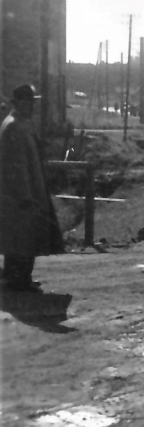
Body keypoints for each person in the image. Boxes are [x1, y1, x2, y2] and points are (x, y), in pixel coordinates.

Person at [0, 85, 64, 293]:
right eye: (29, 102)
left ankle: (20, 277)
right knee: (20, 238)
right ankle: (16, 280)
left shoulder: (22, 125)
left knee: (26, 237)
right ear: (18, 103)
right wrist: (24, 195)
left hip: (29, 191)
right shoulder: (14, 127)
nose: (33, 106)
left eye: (33, 102)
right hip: (20, 196)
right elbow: (15, 166)